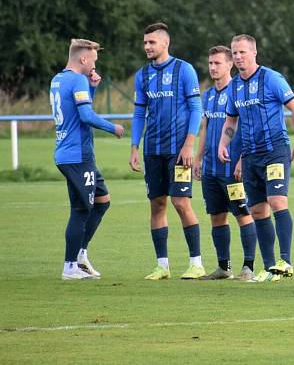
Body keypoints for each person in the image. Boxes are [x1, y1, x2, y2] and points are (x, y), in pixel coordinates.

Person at [218, 34, 294, 283]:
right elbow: (231, 119)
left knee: (277, 200)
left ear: (254, 53)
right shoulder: (234, 86)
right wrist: (223, 143)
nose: (238, 57)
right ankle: (269, 268)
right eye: (234, 53)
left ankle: (285, 261)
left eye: (242, 52)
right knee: (257, 210)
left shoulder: (271, 78)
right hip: (251, 154)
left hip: (275, 150)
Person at [130, 23, 204, 280]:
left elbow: (196, 108)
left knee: (181, 202)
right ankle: (162, 265)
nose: (147, 47)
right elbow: (140, 112)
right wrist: (134, 147)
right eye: (145, 43)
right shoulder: (142, 75)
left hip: (179, 151)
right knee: (157, 205)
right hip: (153, 150)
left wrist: (189, 144)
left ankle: (196, 263)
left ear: (165, 43)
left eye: (151, 42)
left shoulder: (184, 70)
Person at [52, 39, 124, 279]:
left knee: (102, 201)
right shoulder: (77, 79)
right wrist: (112, 127)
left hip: (70, 154)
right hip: (77, 155)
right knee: (82, 209)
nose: (94, 64)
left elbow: (77, 108)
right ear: (83, 59)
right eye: (93, 59)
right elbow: (85, 115)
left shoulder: (59, 79)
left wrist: (92, 88)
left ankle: (80, 254)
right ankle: (70, 266)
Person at [192, 46, 258, 280]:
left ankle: (248, 266)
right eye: (210, 63)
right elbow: (205, 128)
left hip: (233, 168)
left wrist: (242, 159)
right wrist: (198, 158)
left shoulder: (238, 91)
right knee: (217, 215)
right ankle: (223, 267)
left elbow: (248, 127)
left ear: (230, 64)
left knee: (243, 213)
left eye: (217, 63)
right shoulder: (208, 95)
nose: (212, 67)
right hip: (211, 169)